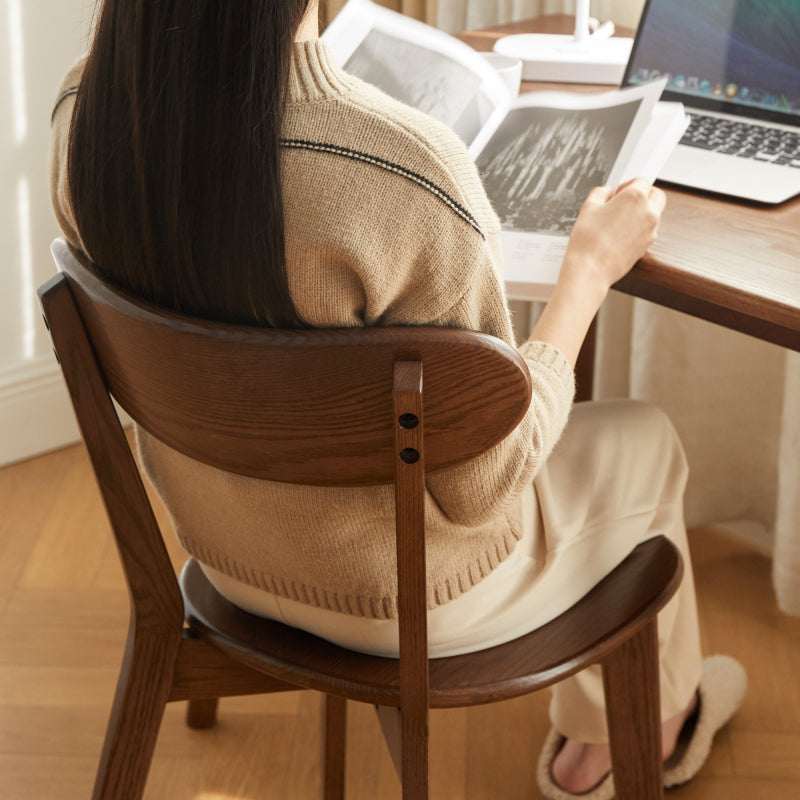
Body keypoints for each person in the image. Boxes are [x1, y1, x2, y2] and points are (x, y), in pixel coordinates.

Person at [49, 1, 746, 796]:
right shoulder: (402, 167)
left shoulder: (88, 114)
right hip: (407, 603)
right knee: (646, 438)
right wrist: (586, 272)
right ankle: (631, 738)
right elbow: (486, 484)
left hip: (221, 556)